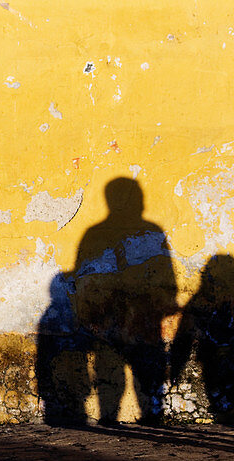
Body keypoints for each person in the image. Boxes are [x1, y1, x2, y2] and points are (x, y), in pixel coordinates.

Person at [71, 177, 178, 425]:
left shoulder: (144, 232)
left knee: (140, 365)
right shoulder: (143, 232)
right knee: (117, 365)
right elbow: (83, 277)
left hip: (136, 313)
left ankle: (141, 415)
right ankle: (123, 416)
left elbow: (82, 277)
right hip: (115, 313)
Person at [170, 254, 234, 423]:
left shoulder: (202, 303)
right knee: (230, 396)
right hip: (222, 357)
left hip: (220, 357)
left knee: (226, 395)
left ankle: (233, 420)